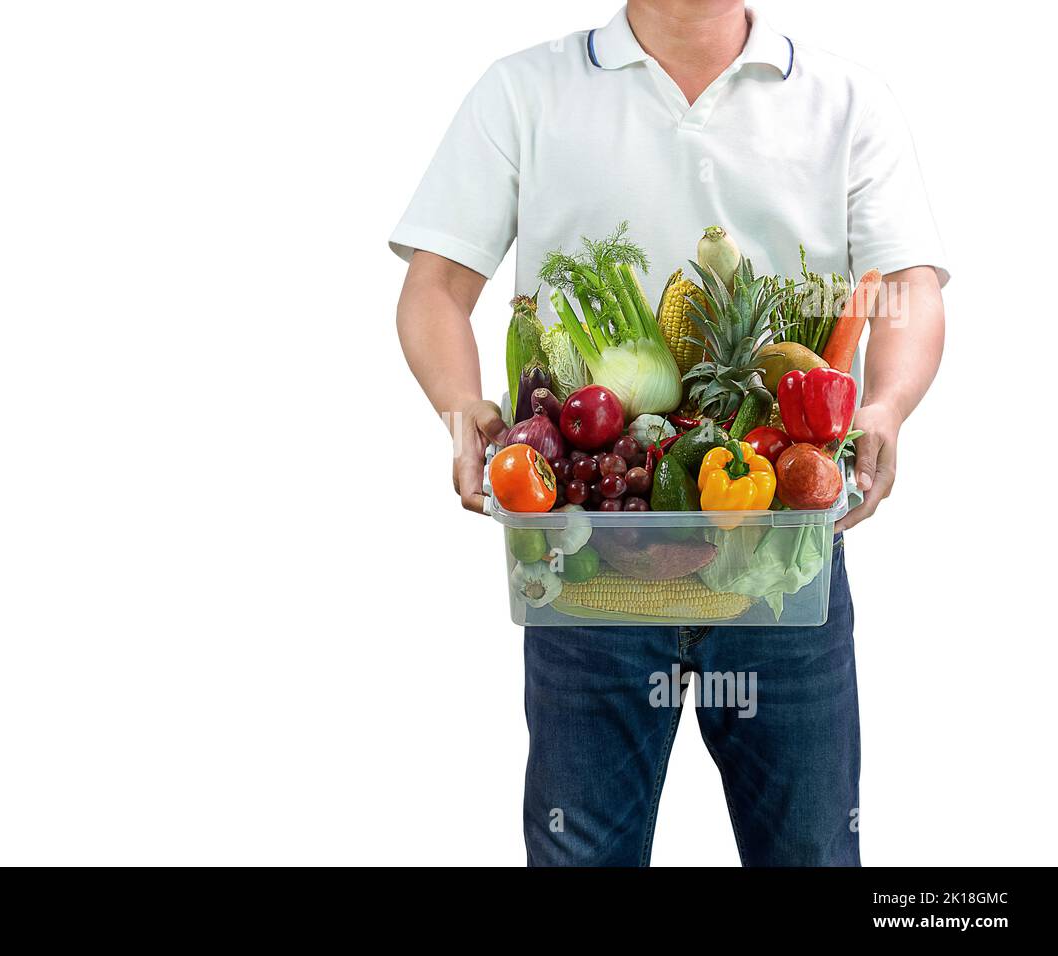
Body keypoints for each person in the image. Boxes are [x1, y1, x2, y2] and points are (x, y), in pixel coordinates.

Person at [390, 1, 946, 865]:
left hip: (780, 559)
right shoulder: (525, 90)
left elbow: (908, 287)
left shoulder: (845, 101)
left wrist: (883, 409)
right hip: (587, 560)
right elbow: (434, 286)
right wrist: (462, 409)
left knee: (811, 853)